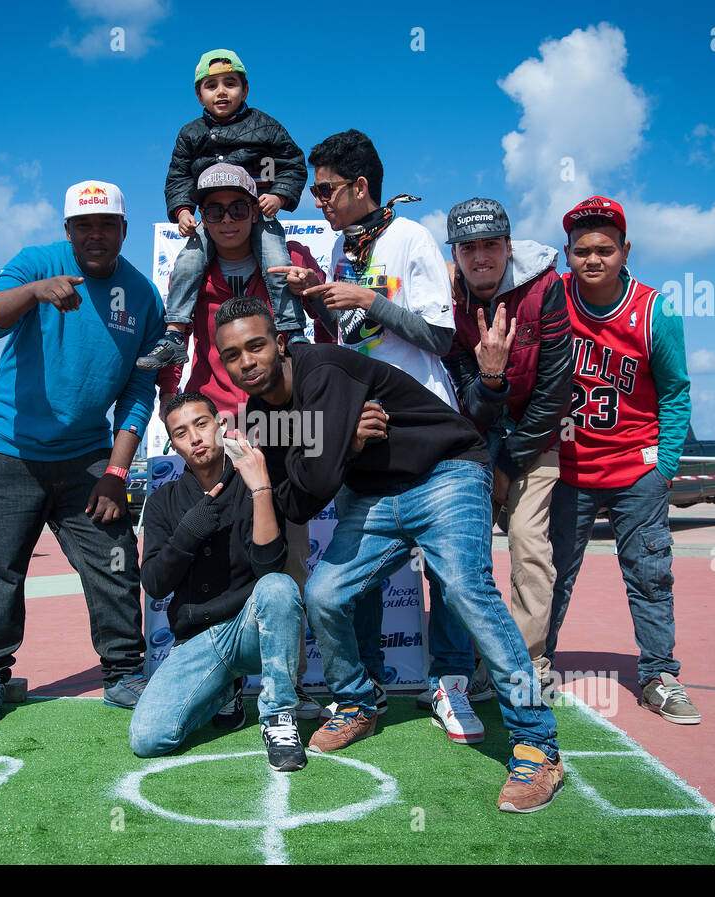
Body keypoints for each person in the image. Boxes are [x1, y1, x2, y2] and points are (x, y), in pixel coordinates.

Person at [215, 295, 564, 813]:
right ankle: (358, 702)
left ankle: (538, 744)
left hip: (445, 472)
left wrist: (330, 451)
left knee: (468, 589)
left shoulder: (322, 370)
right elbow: (297, 500)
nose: (247, 362)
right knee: (325, 594)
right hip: (373, 497)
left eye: (256, 346)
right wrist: (343, 447)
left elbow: (312, 481)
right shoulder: (261, 418)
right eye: (232, 355)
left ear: (280, 343)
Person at [0, 180, 165, 726]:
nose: (95, 234)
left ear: (123, 230)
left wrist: (117, 470)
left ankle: (123, 673)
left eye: (106, 225)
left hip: (87, 457)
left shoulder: (143, 297)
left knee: (116, 561)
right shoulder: (36, 263)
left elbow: (140, 391)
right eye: (83, 225)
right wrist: (34, 292)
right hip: (9, 449)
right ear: (67, 230)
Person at [277, 129, 458, 723]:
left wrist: (367, 297)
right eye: (314, 192)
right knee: (356, 572)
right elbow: (348, 344)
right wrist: (314, 301)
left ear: (361, 186)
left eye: (327, 191)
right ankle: (369, 687)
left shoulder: (411, 237)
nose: (318, 203)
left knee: (451, 572)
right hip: (364, 423)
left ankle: (452, 682)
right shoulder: (340, 251)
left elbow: (442, 336)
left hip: (422, 424)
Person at [154, 162, 328, 722]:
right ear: (199, 217)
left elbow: (325, 333)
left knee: (286, 555)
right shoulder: (193, 268)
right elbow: (173, 351)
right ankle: (222, 675)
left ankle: (288, 682)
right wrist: (170, 408)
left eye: (238, 207)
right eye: (214, 209)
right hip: (214, 428)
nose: (227, 219)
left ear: (258, 209)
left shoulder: (291, 259)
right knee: (212, 551)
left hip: (276, 424)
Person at [544, 196, 700, 725]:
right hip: (571, 470)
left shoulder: (656, 310)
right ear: (566, 253)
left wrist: (665, 466)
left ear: (625, 250)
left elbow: (676, 394)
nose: (593, 260)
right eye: (582, 250)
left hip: (637, 469)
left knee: (650, 575)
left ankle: (660, 674)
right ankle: (538, 664)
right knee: (553, 574)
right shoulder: (552, 298)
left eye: (605, 250)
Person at [438, 197, 572, 700]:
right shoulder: (447, 297)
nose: (480, 257)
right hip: (474, 435)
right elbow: (465, 398)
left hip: (536, 436)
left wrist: (510, 463)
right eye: (468, 247)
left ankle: (528, 662)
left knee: (529, 545)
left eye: (490, 244)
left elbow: (556, 388)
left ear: (508, 246)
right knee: (463, 550)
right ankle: (477, 660)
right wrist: (491, 375)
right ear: (456, 254)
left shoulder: (546, 288)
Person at [132, 393, 306, 770]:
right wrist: (187, 534)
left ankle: (278, 716)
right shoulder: (164, 500)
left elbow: (269, 566)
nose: (195, 438)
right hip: (196, 641)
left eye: (201, 424)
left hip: (249, 631)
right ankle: (223, 690)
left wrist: (260, 488)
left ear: (220, 425)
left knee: (279, 587)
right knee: (147, 739)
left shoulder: (252, 480)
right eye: (181, 432)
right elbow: (155, 583)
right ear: (173, 444)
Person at [138, 49, 306, 370]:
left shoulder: (265, 125)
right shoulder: (190, 133)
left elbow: (293, 164)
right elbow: (178, 176)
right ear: (199, 94)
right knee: (187, 260)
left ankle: (292, 331)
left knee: (277, 261)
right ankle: (174, 335)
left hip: (257, 213)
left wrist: (280, 196)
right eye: (211, 85)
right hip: (211, 217)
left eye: (230, 83)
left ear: (245, 89)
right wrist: (183, 210)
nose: (221, 91)